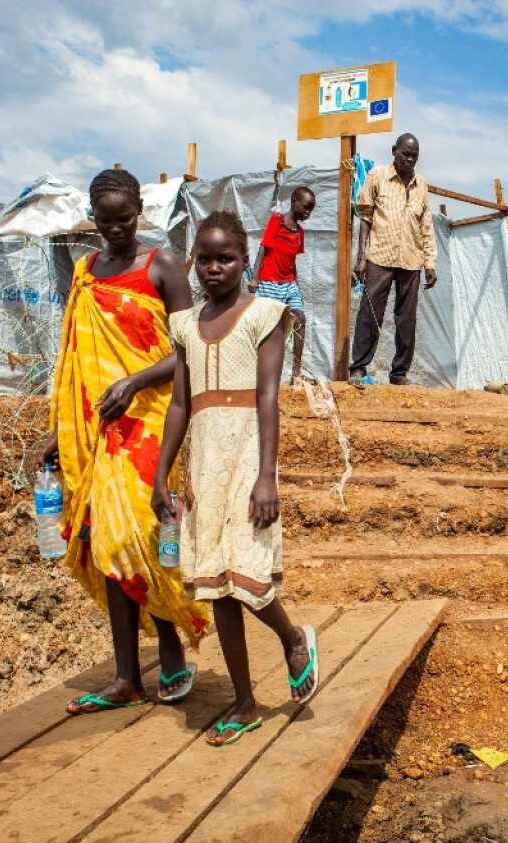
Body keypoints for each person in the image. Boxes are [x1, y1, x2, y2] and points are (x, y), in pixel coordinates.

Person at [41, 168, 209, 714]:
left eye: (125, 218)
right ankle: (125, 676)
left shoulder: (160, 265)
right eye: (105, 220)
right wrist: (60, 433)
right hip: (97, 428)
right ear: (94, 218)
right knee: (106, 540)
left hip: (152, 420)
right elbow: (73, 360)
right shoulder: (86, 271)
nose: (115, 229)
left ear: (141, 210)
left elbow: (189, 348)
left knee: (140, 535)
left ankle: (171, 652)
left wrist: (135, 380)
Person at [153, 210, 319, 747]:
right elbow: (180, 403)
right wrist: (162, 476)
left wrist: (267, 475)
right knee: (217, 584)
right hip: (205, 463)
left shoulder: (264, 314)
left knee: (247, 574)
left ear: (246, 261)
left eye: (225, 258)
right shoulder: (185, 325)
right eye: (204, 259)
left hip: (248, 455)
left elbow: (268, 396)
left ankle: (293, 638)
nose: (213, 268)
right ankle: (245, 702)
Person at [348, 133, 436, 387]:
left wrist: (429, 262)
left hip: (411, 259)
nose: (409, 159)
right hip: (380, 256)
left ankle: (399, 373)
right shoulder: (377, 176)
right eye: (405, 153)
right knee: (369, 312)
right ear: (394, 151)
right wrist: (362, 256)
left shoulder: (422, 185)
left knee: (406, 319)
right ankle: (358, 368)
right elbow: (365, 216)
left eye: (414, 155)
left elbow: (426, 226)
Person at [249, 186, 315, 382]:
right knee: (268, 327)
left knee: (300, 319)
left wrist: (296, 285)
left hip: (288, 283)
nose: (308, 212)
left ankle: (296, 371)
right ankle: (260, 372)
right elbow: (263, 249)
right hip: (269, 280)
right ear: (294, 202)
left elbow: (292, 261)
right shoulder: (276, 222)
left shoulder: (299, 233)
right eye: (305, 207)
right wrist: (255, 277)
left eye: (311, 209)